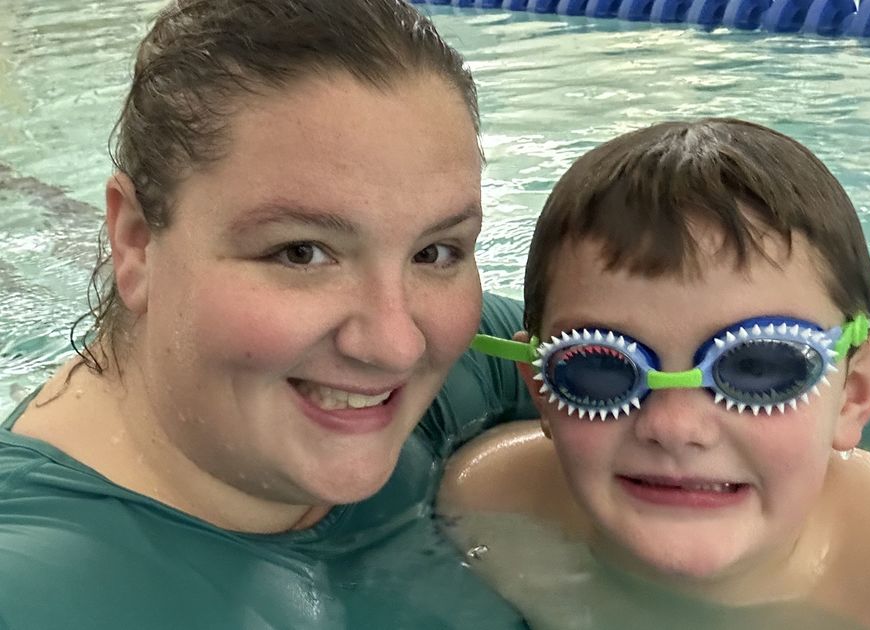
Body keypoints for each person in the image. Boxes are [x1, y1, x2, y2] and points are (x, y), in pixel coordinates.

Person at [0, 1, 536, 628]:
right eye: (301, 253)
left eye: (434, 252)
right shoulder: (31, 587)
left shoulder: (466, 371)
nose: (395, 346)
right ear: (137, 241)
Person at [439, 119, 870, 630]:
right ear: (540, 391)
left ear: (855, 394)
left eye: (759, 367)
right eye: (599, 366)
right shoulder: (490, 504)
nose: (675, 427)